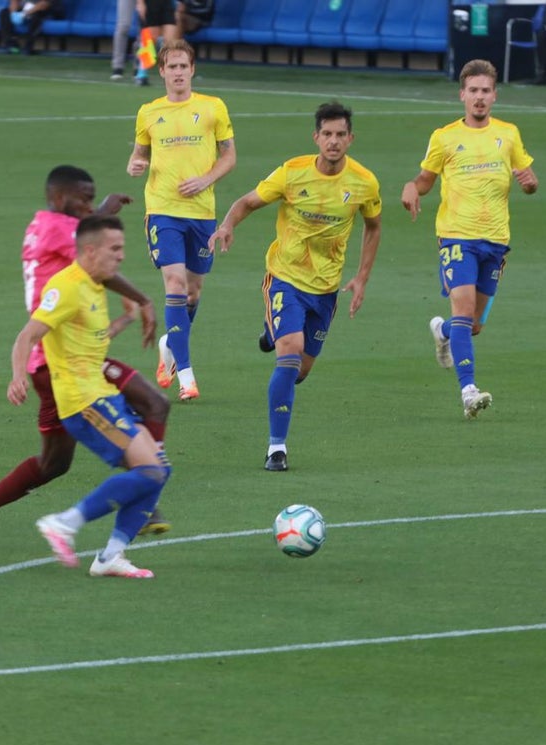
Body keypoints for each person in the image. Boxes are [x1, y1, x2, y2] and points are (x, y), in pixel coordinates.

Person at [0, 165, 171, 551]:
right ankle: (145, 489)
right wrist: (143, 297)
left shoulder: (47, 223)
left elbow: (91, 242)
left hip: (64, 350)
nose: (87, 206)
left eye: (90, 199)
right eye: (82, 199)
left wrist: (100, 212)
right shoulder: (57, 230)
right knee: (150, 406)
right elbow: (95, 254)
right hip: (56, 358)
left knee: (55, 464)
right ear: (57, 198)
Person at [209, 102, 381, 472]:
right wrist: (227, 225)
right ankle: (276, 449)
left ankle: (271, 334)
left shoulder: (364, 182)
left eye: (340, 135)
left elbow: (374, 225)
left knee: (300, 370)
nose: (333, 142)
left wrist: (362, 277)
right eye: (327, 134)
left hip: (326, 288)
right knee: (290, 355)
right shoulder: (292, 173)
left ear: (350, 139)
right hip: (285, 278)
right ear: (316, 137)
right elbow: (248, 201)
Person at [15, 215, 172, 579]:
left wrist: (125, 321)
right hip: (83, 403)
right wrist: (17, 377)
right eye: (114, 249)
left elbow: (90, 344)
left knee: (159, 472)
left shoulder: (94, 286)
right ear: (90, 250)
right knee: (148, 470)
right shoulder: (66, 287)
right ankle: (64, 523)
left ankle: (111, 558)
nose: (121, 257)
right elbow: (27, 336)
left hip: (103, 396)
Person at [400, 59, 538, 420]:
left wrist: (530, 184)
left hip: (495, 240)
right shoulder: (444, 137)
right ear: (462, 94)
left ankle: (441, 332)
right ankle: (468, 391)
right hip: (456, 237)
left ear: (495, 96)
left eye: (486, 91)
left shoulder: (508, 134)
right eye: (473, 91)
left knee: (471, 326)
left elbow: (528, 176)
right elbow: (425, 180)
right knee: (462, 311)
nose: (479, 98)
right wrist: (411, 188)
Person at [127, 39, 236, 402]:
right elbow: (138, 156)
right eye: (170, 67)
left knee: (193, 291)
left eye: (182, 66)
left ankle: (170, 346)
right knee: (174, 284)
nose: (177, 72)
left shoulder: (212, 108)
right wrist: (135, 165)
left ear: (192, 70)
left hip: (202, 213)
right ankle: (187, 377)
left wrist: (206, 179)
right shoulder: (148, 112)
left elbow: (229, 157)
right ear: (161, 72)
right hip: (162, 209)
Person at [133, 0, 179, 86]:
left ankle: (170, 74)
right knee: (150, 39)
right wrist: (140, 2)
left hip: (167, 3)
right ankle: (142, 73)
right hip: (150, 3)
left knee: (170, 39)